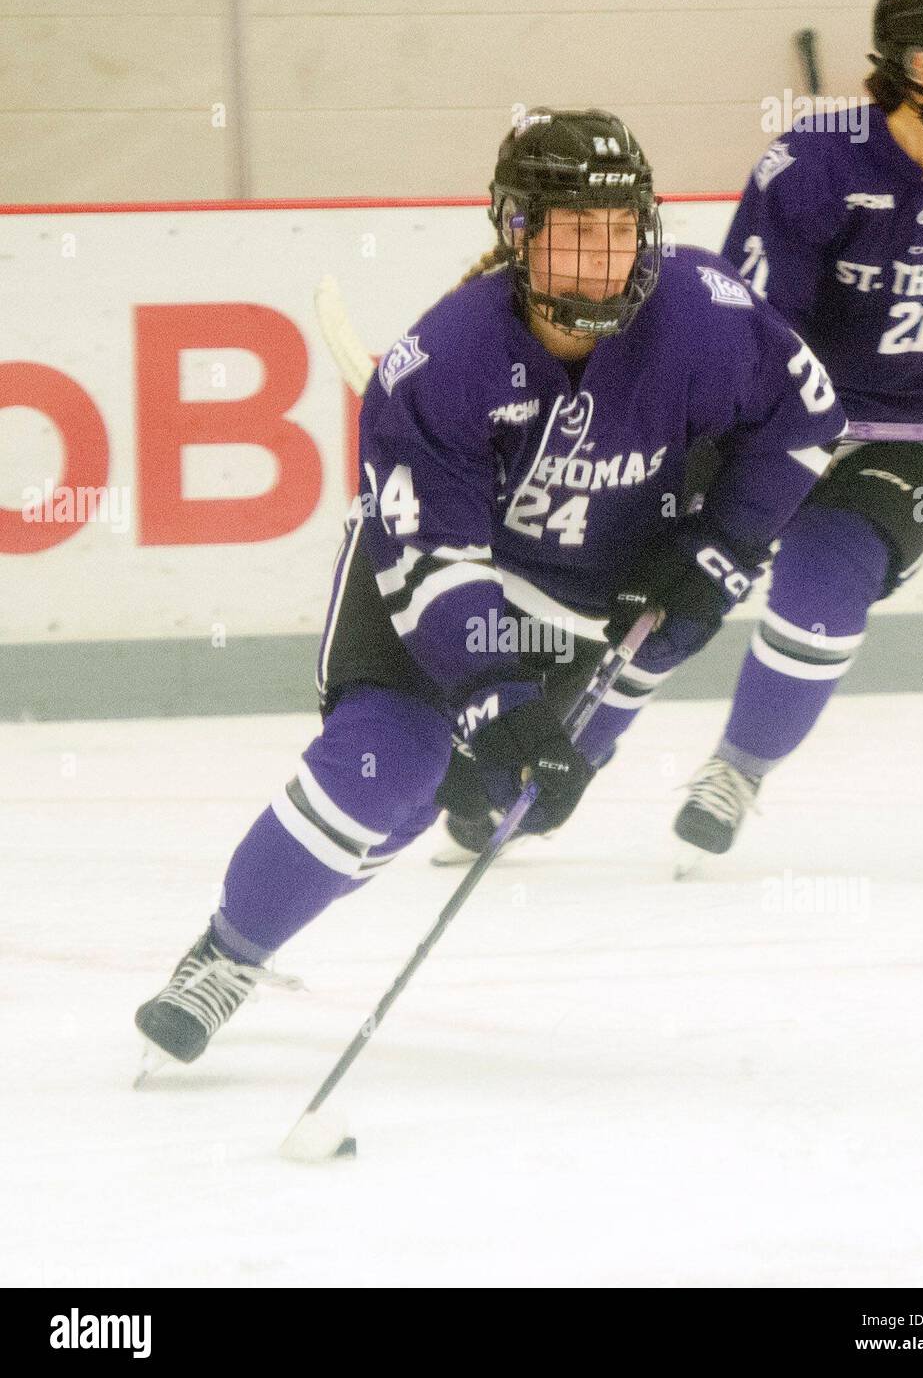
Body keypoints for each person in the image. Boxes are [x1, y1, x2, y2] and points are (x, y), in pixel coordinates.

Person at [135, 108, 846, 1068]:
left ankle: (396, 834)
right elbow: (435, 563)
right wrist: (498, 700)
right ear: (516, 232)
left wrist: (721, 546)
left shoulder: (706, 311)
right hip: (442, 588)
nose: (604, 262)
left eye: (621, 230)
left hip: (579, 609)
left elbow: (803, 420)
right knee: (381, 765)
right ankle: (225, 956)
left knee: (433, 799)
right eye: (573, 236)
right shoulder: (444, 364)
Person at [672, 0, 923, 866]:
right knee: (660, 597)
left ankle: (737, 769)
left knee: (827, 580)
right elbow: (755, 330)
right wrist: (743, 439)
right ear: (921, 69)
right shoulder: (814, 165)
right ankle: (515, 779)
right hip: (784, 422)